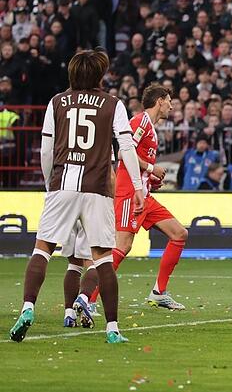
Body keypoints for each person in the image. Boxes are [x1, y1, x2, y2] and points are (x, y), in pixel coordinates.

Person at [9, 49, 145, 343]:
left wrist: (50, 184)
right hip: (97, 188)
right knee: (102, 259)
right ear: (99, 75)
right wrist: (138, 186)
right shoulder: (113, 103)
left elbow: (46, 150)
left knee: (42, 249)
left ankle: (28, 306)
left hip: (63, 184)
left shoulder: (56, 102)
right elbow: (126, 148)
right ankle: (112, 329)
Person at [88, 84, 189, 311]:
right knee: (121, 246)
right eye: (169, 100)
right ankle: (89, 299)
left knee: (179, 234)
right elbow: (124, 153)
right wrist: (151, 168)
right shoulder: (140, 121)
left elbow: (136, 160)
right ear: (160, 101)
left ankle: (159, 292)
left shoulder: (151, 128)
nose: (172, 106)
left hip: (144, 194)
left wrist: (151, 178)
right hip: (129, 195)